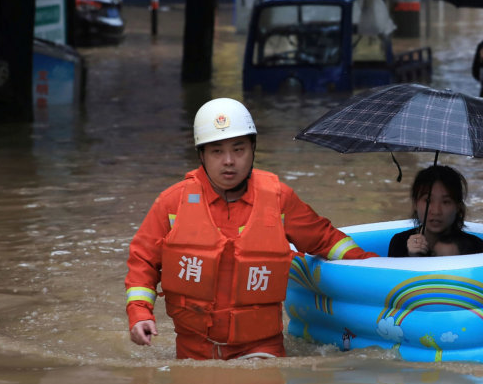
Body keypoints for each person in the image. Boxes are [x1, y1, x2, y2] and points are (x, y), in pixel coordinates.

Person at [125, 98, 377, 360]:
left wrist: (376, 266)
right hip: (194, 350)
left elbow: (326, 240)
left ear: (253, 148)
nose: (229, 161)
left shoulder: (279, 198)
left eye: (239, 149)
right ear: (201, 155)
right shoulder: (171, 202)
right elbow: (143, 261)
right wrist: (139, 313)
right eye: (216, 151)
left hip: (262, 349)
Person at [388, 164, 483, 257]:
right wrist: (412, 258)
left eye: (446, 202)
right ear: (415, 204)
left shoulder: (475, 247)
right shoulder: (399, 243)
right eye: (428, 200)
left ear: (458, 207)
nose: (436, 211)